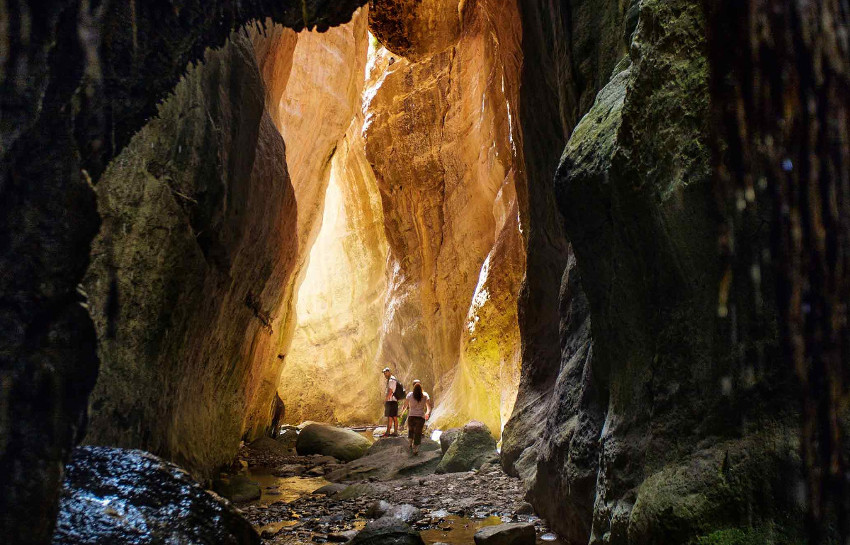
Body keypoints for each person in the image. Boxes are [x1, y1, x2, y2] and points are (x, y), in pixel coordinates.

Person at [401, 379, 432, 455]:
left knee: (411, 430)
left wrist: (402, 413)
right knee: (418, 433)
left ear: (413, 386)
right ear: (421, 386)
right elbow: (429, 407)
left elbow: (405, 406)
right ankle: (415, 449)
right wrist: (427, 413)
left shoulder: (410, 394)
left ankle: (410, 443)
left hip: (411, 416)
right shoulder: (425, 395)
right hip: (420, 417)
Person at [382, 367, 400, 436]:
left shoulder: (391, 380)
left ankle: (395, 432)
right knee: (390, 417)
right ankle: (388, 431)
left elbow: (390, 391)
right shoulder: (391, 379)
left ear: (389, 372)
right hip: (392, 401)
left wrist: (385, 400)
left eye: (386, 373)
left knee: (394, 417)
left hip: (392, 401)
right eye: (384, 373)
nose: (385, 374)